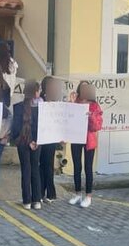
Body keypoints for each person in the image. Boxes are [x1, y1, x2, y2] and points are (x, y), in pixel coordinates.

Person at [68, 80, 104, 208]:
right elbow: (68, 118)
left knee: (88, 168)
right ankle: (78, 193)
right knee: (77, 166)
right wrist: (71, 103)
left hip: (89, 139)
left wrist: (91, 116)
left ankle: (88, 196)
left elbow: (97, 126)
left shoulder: (94, 105)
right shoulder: (75, 102)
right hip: (76, 137)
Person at [10, 80, 42, 209]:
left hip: (23, 141)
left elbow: (16, 127)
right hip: (38, 142)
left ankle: (27, 201)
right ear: (36, 92)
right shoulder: (42, 108)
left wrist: (27, 140)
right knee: (35, 169)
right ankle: (37, 200)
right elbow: (43, 127)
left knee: (26, 170)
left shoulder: (18, 107)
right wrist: (36, 140)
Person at [38, 76, 64, 203]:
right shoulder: (40, 101)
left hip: (51, 138)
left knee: (48, 165)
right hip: (41, 136)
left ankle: (50, 193)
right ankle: (41, 192)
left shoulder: (57, 103)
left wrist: (61, 136)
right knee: (41, 165)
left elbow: (61, 120)